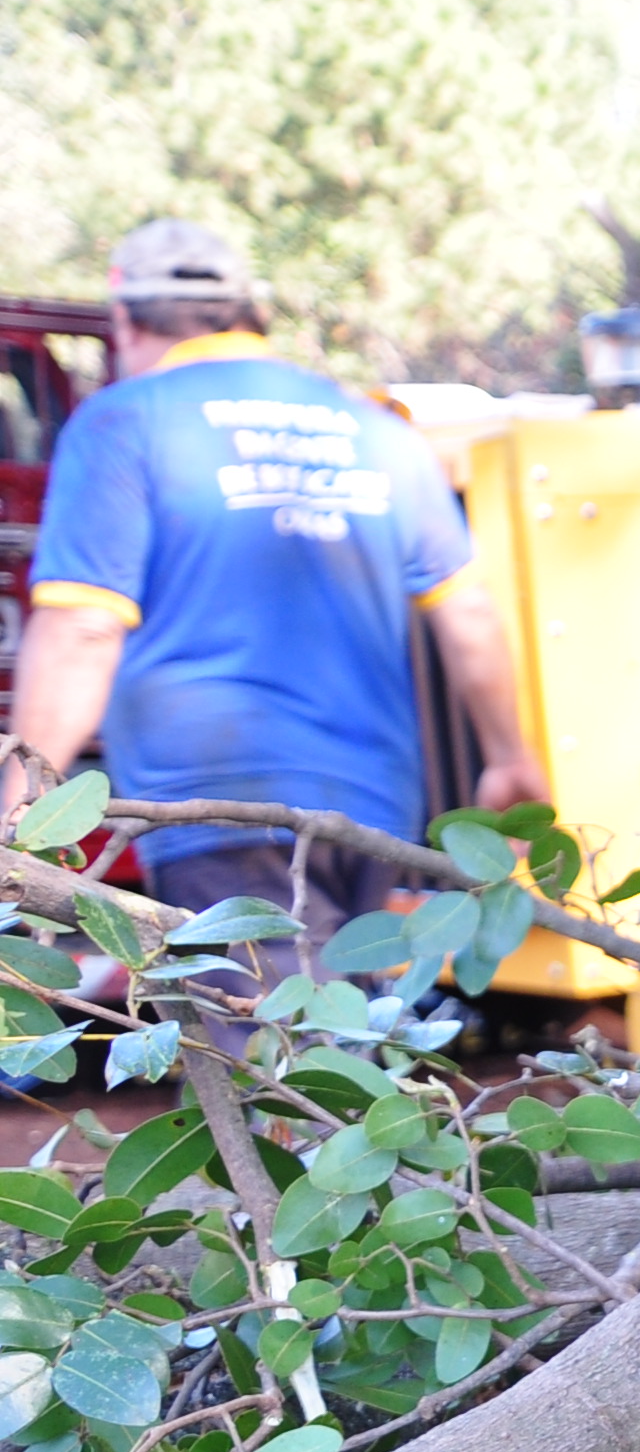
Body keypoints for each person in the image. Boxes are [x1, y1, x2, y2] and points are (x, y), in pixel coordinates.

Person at [7, 219, 545, 1007]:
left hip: (213, 794)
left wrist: (23, 796)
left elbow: (84, 626)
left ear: (125, 320)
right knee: (339, 1034)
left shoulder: (124, 421)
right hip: (371, 800)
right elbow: (466, 614)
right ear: (251, 315)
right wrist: (510, 759)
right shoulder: (374, 428)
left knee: (273, 1058)